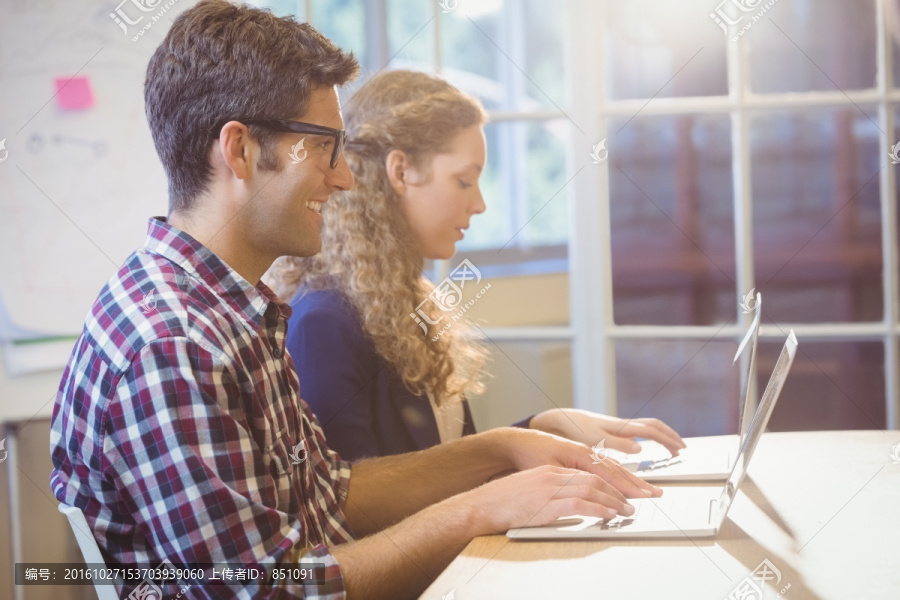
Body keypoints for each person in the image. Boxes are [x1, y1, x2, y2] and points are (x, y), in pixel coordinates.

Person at [49, 2, 662, 599]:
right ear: (239, 151)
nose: (344, 177)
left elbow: (332, 491)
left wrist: (502, 450)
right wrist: (481, 508)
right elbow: (275, 592)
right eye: (323, 146)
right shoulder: (174, 344)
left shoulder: (231, 310)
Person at [264, 70, 686, 463]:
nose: (480, 204)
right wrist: (514, 446)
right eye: (464, 181)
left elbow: (449, 464)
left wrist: (543, 426)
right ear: (401, 170)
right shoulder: (324, 324)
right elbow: (354, 505)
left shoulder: (405, 301)